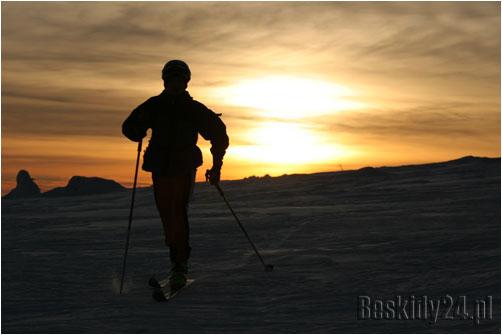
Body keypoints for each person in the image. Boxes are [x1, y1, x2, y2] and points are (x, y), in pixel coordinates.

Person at [121, 60, 229, 290]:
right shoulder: (154, 106)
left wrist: (217, 166)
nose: (176, 84)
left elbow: (218, 134)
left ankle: (180, 266)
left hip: (183, 167)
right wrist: (135, 129)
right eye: (172, 80)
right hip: (161, 168)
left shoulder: (191, 109)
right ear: (166, 81)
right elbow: (129, 127)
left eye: (180, 80)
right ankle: (177, 262)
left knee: (177, 212)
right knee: (167, 215)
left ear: (186, 81)